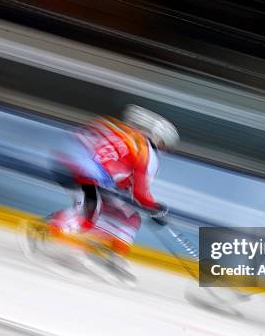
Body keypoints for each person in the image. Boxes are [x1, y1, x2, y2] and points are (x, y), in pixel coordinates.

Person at [47, 104, 178, 258]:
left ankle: (106, 250)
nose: (163, 151)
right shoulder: (148, 154)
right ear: (160, 141)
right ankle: (53, 231)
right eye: (165, 146)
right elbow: (139, 193)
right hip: (86, 174)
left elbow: (84, 137)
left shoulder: (120, 130)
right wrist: (156, 209)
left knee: (127, 215)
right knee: (92, 210)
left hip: (69, 164)